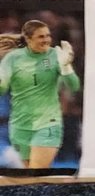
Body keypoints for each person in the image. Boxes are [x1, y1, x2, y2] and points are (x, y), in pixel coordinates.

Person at [0, 20, 80, 170]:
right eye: (41, 37)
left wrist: (66, 67)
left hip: (42, 125)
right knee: (23, 172)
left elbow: (72, 87)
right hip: (15, 129)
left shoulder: (53, 61)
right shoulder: (12, 61)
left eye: (47, 36)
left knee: (30, 172)